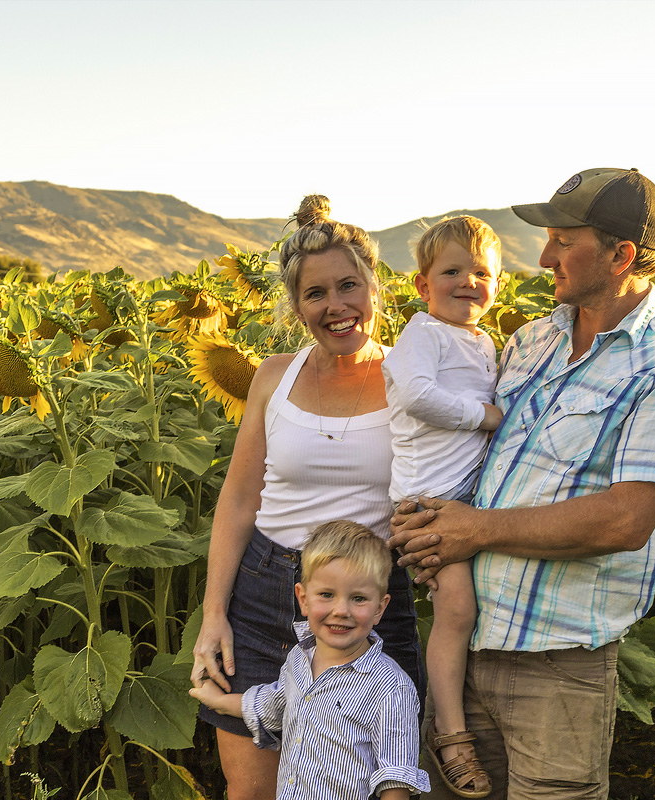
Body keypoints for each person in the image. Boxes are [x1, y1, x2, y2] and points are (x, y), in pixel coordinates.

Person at [389, 168, 655, 800]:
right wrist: (419, 518)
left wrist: (470, 530)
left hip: (558, 670)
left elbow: (626, 520)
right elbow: (461, 445)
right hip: (464, 644)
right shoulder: (530, 340)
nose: (544, 258)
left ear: (621, 255)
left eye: (564, 241)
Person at [190, 195, 425, 800]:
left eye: (349, 286)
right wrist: (214, 613)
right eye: (315, 294)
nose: (335, 307)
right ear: (297, 306)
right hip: (266, 590)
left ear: (376, 286)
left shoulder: (414, 383)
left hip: (368, 600)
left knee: (369, 783)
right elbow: (240, 499)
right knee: (253, 791)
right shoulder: (275, 375)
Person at [382, 216, 505, 798]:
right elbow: (412, 394)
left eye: (481, 272)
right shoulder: (423, 334)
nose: (468, 281)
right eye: (452, 270)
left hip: (467, 501)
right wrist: (483, 417)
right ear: (422, 285)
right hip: (429, 504)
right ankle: (450, 734)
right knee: (455, 611)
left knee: (470, 610)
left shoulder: (483, 341)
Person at [190, 520, 432, 800]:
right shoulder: (299, 659)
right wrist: (219, 702)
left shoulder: (390, 688)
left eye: (358, 598)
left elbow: (395, 779)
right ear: (303, 599)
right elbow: (274, 704)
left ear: (380, 608)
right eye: (327, 595)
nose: (341, 610)